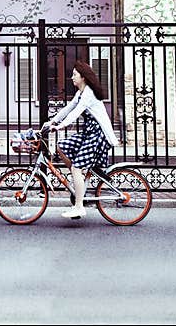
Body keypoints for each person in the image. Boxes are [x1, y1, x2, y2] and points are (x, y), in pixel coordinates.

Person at [43, 60, 120, 219]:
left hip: (98, 135)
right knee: (61, 147)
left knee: (76, 168)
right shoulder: (80, 93)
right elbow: (67, 109)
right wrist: (51, 121)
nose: (71, 78)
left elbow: (76, 113)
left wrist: (61, 126)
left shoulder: (89, 94)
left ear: (83, 77)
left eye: (74, 75)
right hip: (88, 133)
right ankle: (79, 179)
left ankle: (79, 206)